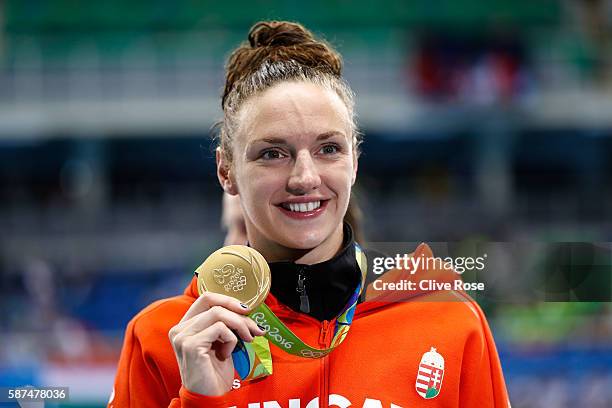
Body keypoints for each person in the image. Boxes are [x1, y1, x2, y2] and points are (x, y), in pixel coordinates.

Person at [109, 21, 510, 407]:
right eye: (272, 153)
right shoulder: (164, 339)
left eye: (328, 149)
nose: (304, 177)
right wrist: (201, 403)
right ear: (226, 171)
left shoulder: (448, 321)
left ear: (355, 161)